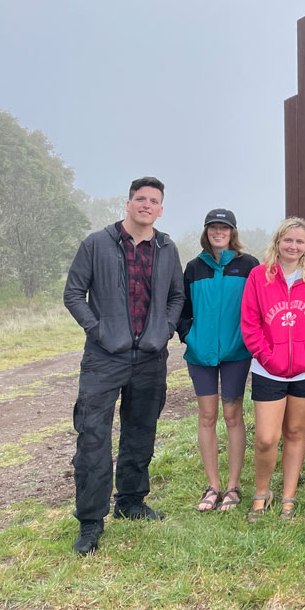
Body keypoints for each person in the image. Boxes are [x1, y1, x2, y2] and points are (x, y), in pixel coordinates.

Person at [63, 176, 184, 554]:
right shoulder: (97, 243)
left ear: (161, 209)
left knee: (141, 431)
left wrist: (163, 329)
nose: (146, 205)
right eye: (140, 199)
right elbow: (73, 293)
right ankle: (90, 522)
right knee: (93, 437)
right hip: (104, 358)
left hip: (150, 357)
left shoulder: (166, 248)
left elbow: (177, 296)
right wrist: (98, 330)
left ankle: (130, 501)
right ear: (128, 203)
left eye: (154, 201)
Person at [240, 218, 305, 521]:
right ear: (277, 242)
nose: (293, 246)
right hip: (269, 369)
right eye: (287, 240)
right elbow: (250, 323)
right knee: (267, 437)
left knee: (295, 432)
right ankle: (261, 492)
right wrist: (267, 356)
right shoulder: (259, 276)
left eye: (299, 242)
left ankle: (288, 496)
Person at [176, 208, 259, 513]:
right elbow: (181, 308)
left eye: (224, 227)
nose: (218, 232)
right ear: (206, 231)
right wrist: (190, 335)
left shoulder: (248, 265)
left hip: (237, 352)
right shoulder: (194, 267)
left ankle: (234, 486)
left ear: (233, 232)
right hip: (201, 354)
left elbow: (258, 305)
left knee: (232, 414)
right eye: (213, 227)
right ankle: (213, 485)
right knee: (207, 415)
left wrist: (247, 339)